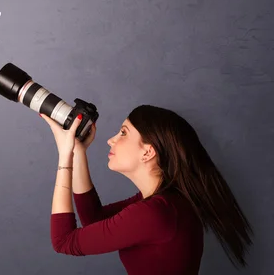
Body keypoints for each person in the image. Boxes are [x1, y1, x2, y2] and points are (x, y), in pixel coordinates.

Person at [41, 104, 254, 274]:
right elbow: (94, 220)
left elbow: (63, 241)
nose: (110, 140)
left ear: (148, 152)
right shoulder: (164, 203)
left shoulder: (155, 213)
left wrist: (65, 155)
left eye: (123, 133)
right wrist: (78, 152)